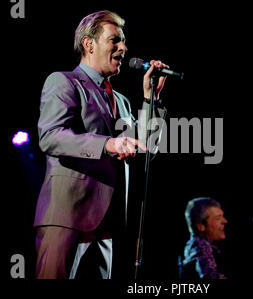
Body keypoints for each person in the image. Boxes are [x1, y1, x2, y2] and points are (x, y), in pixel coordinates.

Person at [33, 10, 168, 279]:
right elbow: (51, 136)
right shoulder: (64, 82)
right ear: (89, 44)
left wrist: (151, 99)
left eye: (124, 41)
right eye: (115, 40)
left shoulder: (122, 100)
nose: (124, 48)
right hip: (67, 217)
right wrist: (108, 144)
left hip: (107, 223)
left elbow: (146, 150)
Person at [181, 197, 228, 279]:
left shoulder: (205, 246)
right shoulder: (200, 246)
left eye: (222, 216)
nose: (225, 221)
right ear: (201, 226)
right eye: (218, 218)